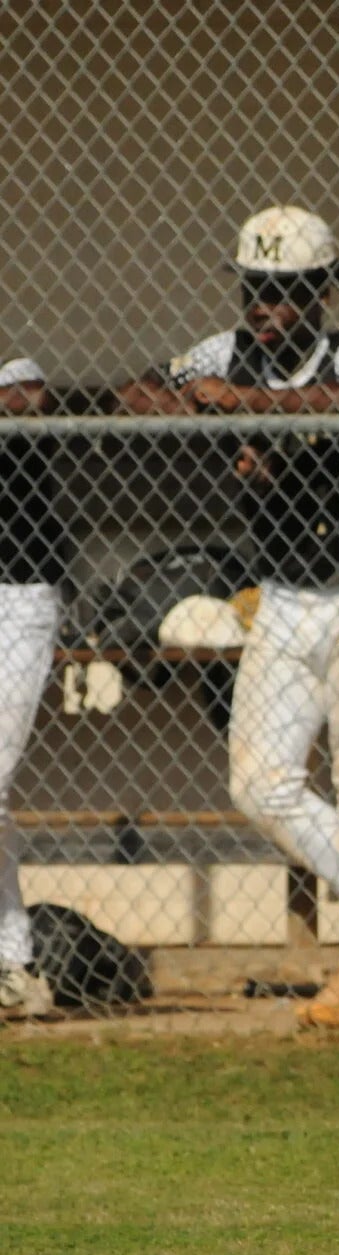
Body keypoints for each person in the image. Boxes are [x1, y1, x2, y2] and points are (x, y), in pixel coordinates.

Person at [118, 206, 339, 1029]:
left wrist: (244, 404)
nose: (267, 309)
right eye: (257, 292)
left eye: (287, 293)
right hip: (287, 596)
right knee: (259, 783)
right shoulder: (220, 353)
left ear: (321, 291)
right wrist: (210, 411)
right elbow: (135, 394)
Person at [0, 347, 67, 1019]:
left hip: (16, 598)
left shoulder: (12, 368)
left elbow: (29, 397)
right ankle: (12, 962)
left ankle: (11, 963)